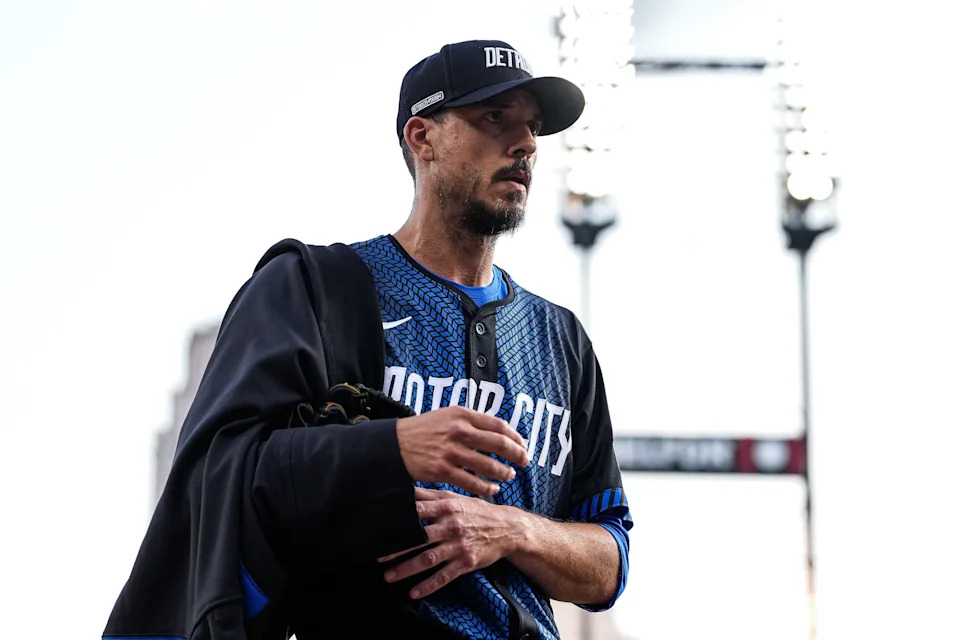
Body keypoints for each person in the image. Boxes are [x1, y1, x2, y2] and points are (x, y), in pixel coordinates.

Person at [103, 39, 630, 640]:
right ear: (422, 137)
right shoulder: (313, 289)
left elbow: (609, 562)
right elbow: (214, 483)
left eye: (531, 126)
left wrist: (511, 529)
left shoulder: (561, 339)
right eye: (493, 118)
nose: (526, 144)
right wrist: (390, 449)